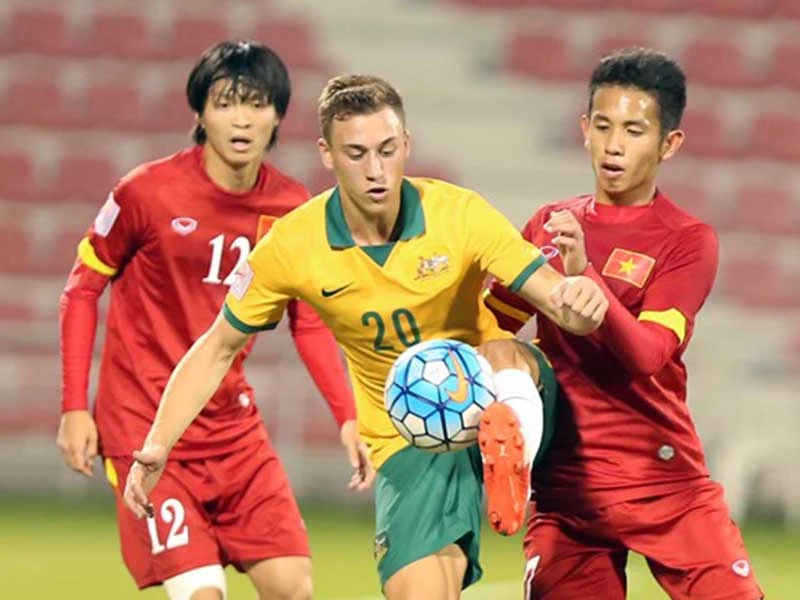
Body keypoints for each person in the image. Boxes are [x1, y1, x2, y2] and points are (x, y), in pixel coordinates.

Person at [123, 73, 609, 600]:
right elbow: (217, 347)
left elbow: (557, 300)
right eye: (356, 153)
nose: (375, 170)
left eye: (386, 150)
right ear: (327, 154)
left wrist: (581, 298)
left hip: (501, 394)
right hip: (407, 439)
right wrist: (158, 443)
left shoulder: (459, 214)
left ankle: (514, 462)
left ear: (407, 145)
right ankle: (502, 467)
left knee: (497, 351)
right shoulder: (292, 245)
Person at [56, 41, 366, 600]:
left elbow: (308, 322)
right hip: (146, 431)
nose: (242, 119)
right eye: (225, 103)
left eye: (257, 103)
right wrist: (75, 406)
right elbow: (81, 290)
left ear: (278, 115)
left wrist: (347, 416)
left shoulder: (292, 209)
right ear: (199, 112)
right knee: (203, 595)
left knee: (294, 589)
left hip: (232, 430)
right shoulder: (144, 193)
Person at [485, 47, 763, 599]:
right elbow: (491, 324)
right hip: (568, 494)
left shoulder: (688, 240)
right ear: (584, 129)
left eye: (634, 131)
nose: (614, 145)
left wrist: (585, 275)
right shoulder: (548, 224)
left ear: (669, 144)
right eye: (604, 126)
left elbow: (647, 356)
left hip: (664, 482)